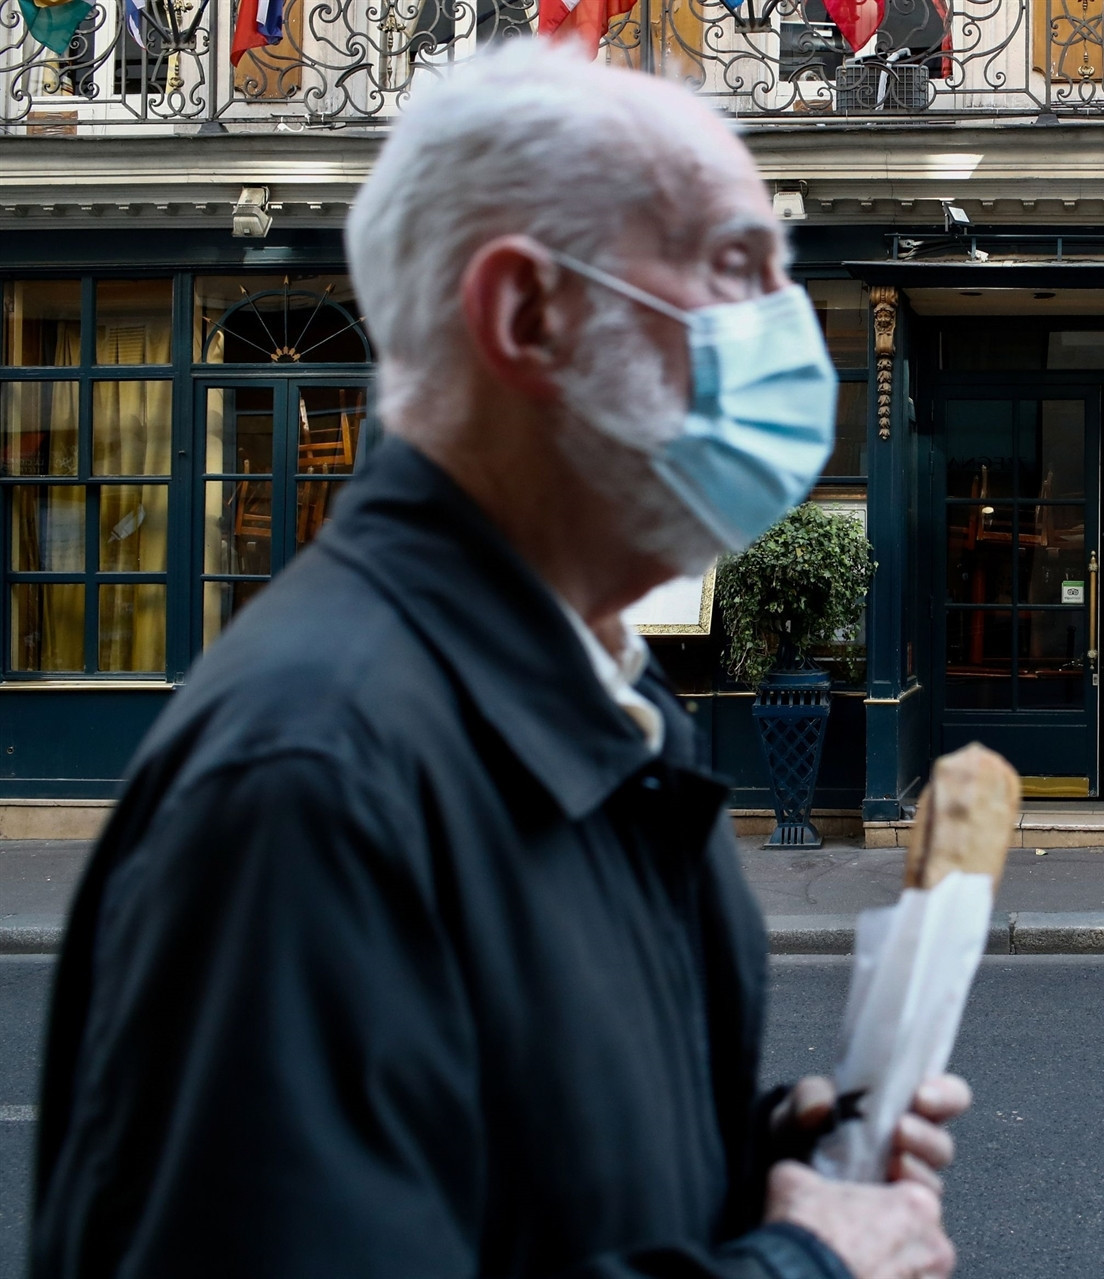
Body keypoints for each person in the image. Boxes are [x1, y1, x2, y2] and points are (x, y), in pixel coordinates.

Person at [31, 42, 964, 1279]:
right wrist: (803, 1264)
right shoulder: (311, 775)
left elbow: (502, 1184)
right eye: (734, 268)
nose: (785, 329)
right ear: (529, 313)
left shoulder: (605, 703)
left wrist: (752, 1161)